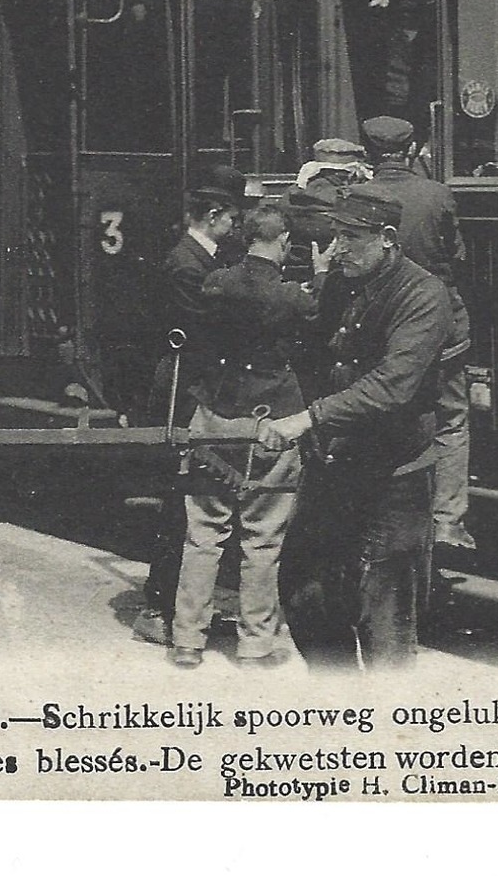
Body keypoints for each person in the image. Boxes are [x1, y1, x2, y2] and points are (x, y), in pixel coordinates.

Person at [259, 185, 452, 670]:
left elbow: (393, 386)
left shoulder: (423, 294)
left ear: (387, 238)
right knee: (304, 594)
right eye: (336, 235)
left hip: (394, 477)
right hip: (335, 467)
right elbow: (312, 351)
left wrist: (309, 418)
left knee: (384, 617)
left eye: (351, 237)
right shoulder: (342, 283)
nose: (336, 247)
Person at [170, 204, 331, 669]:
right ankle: (256, 643)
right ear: (284, 243)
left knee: (203, 534)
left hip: (214, 417)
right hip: (270, 422)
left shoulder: (216, 282)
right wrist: (319, 276)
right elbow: (313, 313)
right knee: (262, 539)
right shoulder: (292, 296)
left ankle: (187, 640)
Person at [131, 166, 244, 646]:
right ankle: (159, 608)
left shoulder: (204, 257)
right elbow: (209, 328)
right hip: (184, 389)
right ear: (214, 215)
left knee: (195, 498)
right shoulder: (186, 265)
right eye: (233, 219)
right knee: (181, 500)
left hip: (195, 384)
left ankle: (179, 605)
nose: (237, 228)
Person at [363, 115, 475, 550]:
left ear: (369, 153)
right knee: (451, 417)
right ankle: (448, 519)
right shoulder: (437, 194)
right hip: (441, 325)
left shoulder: (355, 197)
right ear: (412, 151)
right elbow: (456, 256)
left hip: (382, 323)